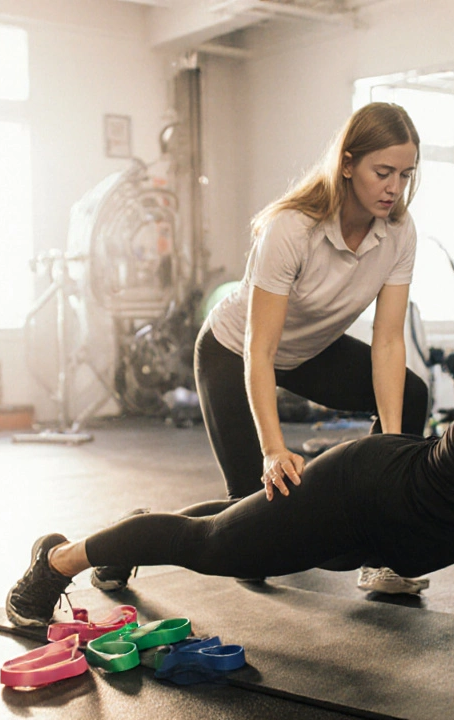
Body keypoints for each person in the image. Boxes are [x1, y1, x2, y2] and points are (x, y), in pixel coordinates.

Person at [7, 264, 454, 720]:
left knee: (236, 526)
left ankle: (139, 530)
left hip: (392, 535)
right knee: (215, 547)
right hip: (358, 496)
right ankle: (60, 558)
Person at [131, 101, 428, 596]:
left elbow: (389, 342)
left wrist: (390, 454)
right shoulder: (293, 228)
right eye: (383, 172)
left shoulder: (399, 231)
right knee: (249, 534)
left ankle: (381, 559)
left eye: (405, 174)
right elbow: (260, 349)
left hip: (311, 350)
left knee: (411, 394)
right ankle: (130, 538)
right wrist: (273, 450)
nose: (394, 187)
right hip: (234, 351)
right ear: (347, 164)